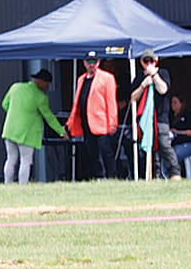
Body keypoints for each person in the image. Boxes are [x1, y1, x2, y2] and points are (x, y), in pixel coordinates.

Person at [1, 68, 65, 184]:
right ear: (41, 81)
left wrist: (15, 114)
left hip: (10, 130)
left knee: (11, 159)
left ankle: (7, 184)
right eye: (47, 84)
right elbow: (49, 117)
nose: (47, 87)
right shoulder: (41, 97)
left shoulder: (15, 87)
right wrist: (62, 132)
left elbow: (4, 104)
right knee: (25, 161)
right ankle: (22, 186)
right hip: (26, 133)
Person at [67, 53, 122, 180]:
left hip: (102, 123)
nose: (92, 64)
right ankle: (99, 176)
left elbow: (111, 102)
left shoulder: (107, 78)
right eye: (89, 61)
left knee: (106, 152)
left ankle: (112, 176)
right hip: (86, 122)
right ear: (84, 63)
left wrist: (113, 123)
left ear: (98, 62)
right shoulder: (81, 79)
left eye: (94, 61)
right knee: (92, 152)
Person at [128, 50, 179, 179]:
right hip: (145, 118)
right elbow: (133, 97)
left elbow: (163, 89)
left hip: (160, 118)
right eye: (146, 61)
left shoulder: (163, 73)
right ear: (141, 62)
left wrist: (154, 76)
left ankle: (175, 173)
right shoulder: (139, 77)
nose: (149, 63)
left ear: (156, 60)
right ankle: (153, 175)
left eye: (151, 60)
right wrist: (142, 85)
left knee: (164, 145)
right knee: (149, 148)